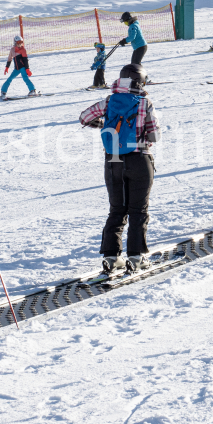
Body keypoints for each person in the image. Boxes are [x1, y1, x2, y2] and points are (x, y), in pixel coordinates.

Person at [78, 64, 161, 273]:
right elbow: (155, 136)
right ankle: (136, 256)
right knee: (138, 210)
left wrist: (104, 125)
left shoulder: (109, 101)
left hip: (113, 161)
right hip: (139, 160)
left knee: (117, 209)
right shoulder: (144, 102)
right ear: (140, 81)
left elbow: (84, 117)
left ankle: (111, 256)